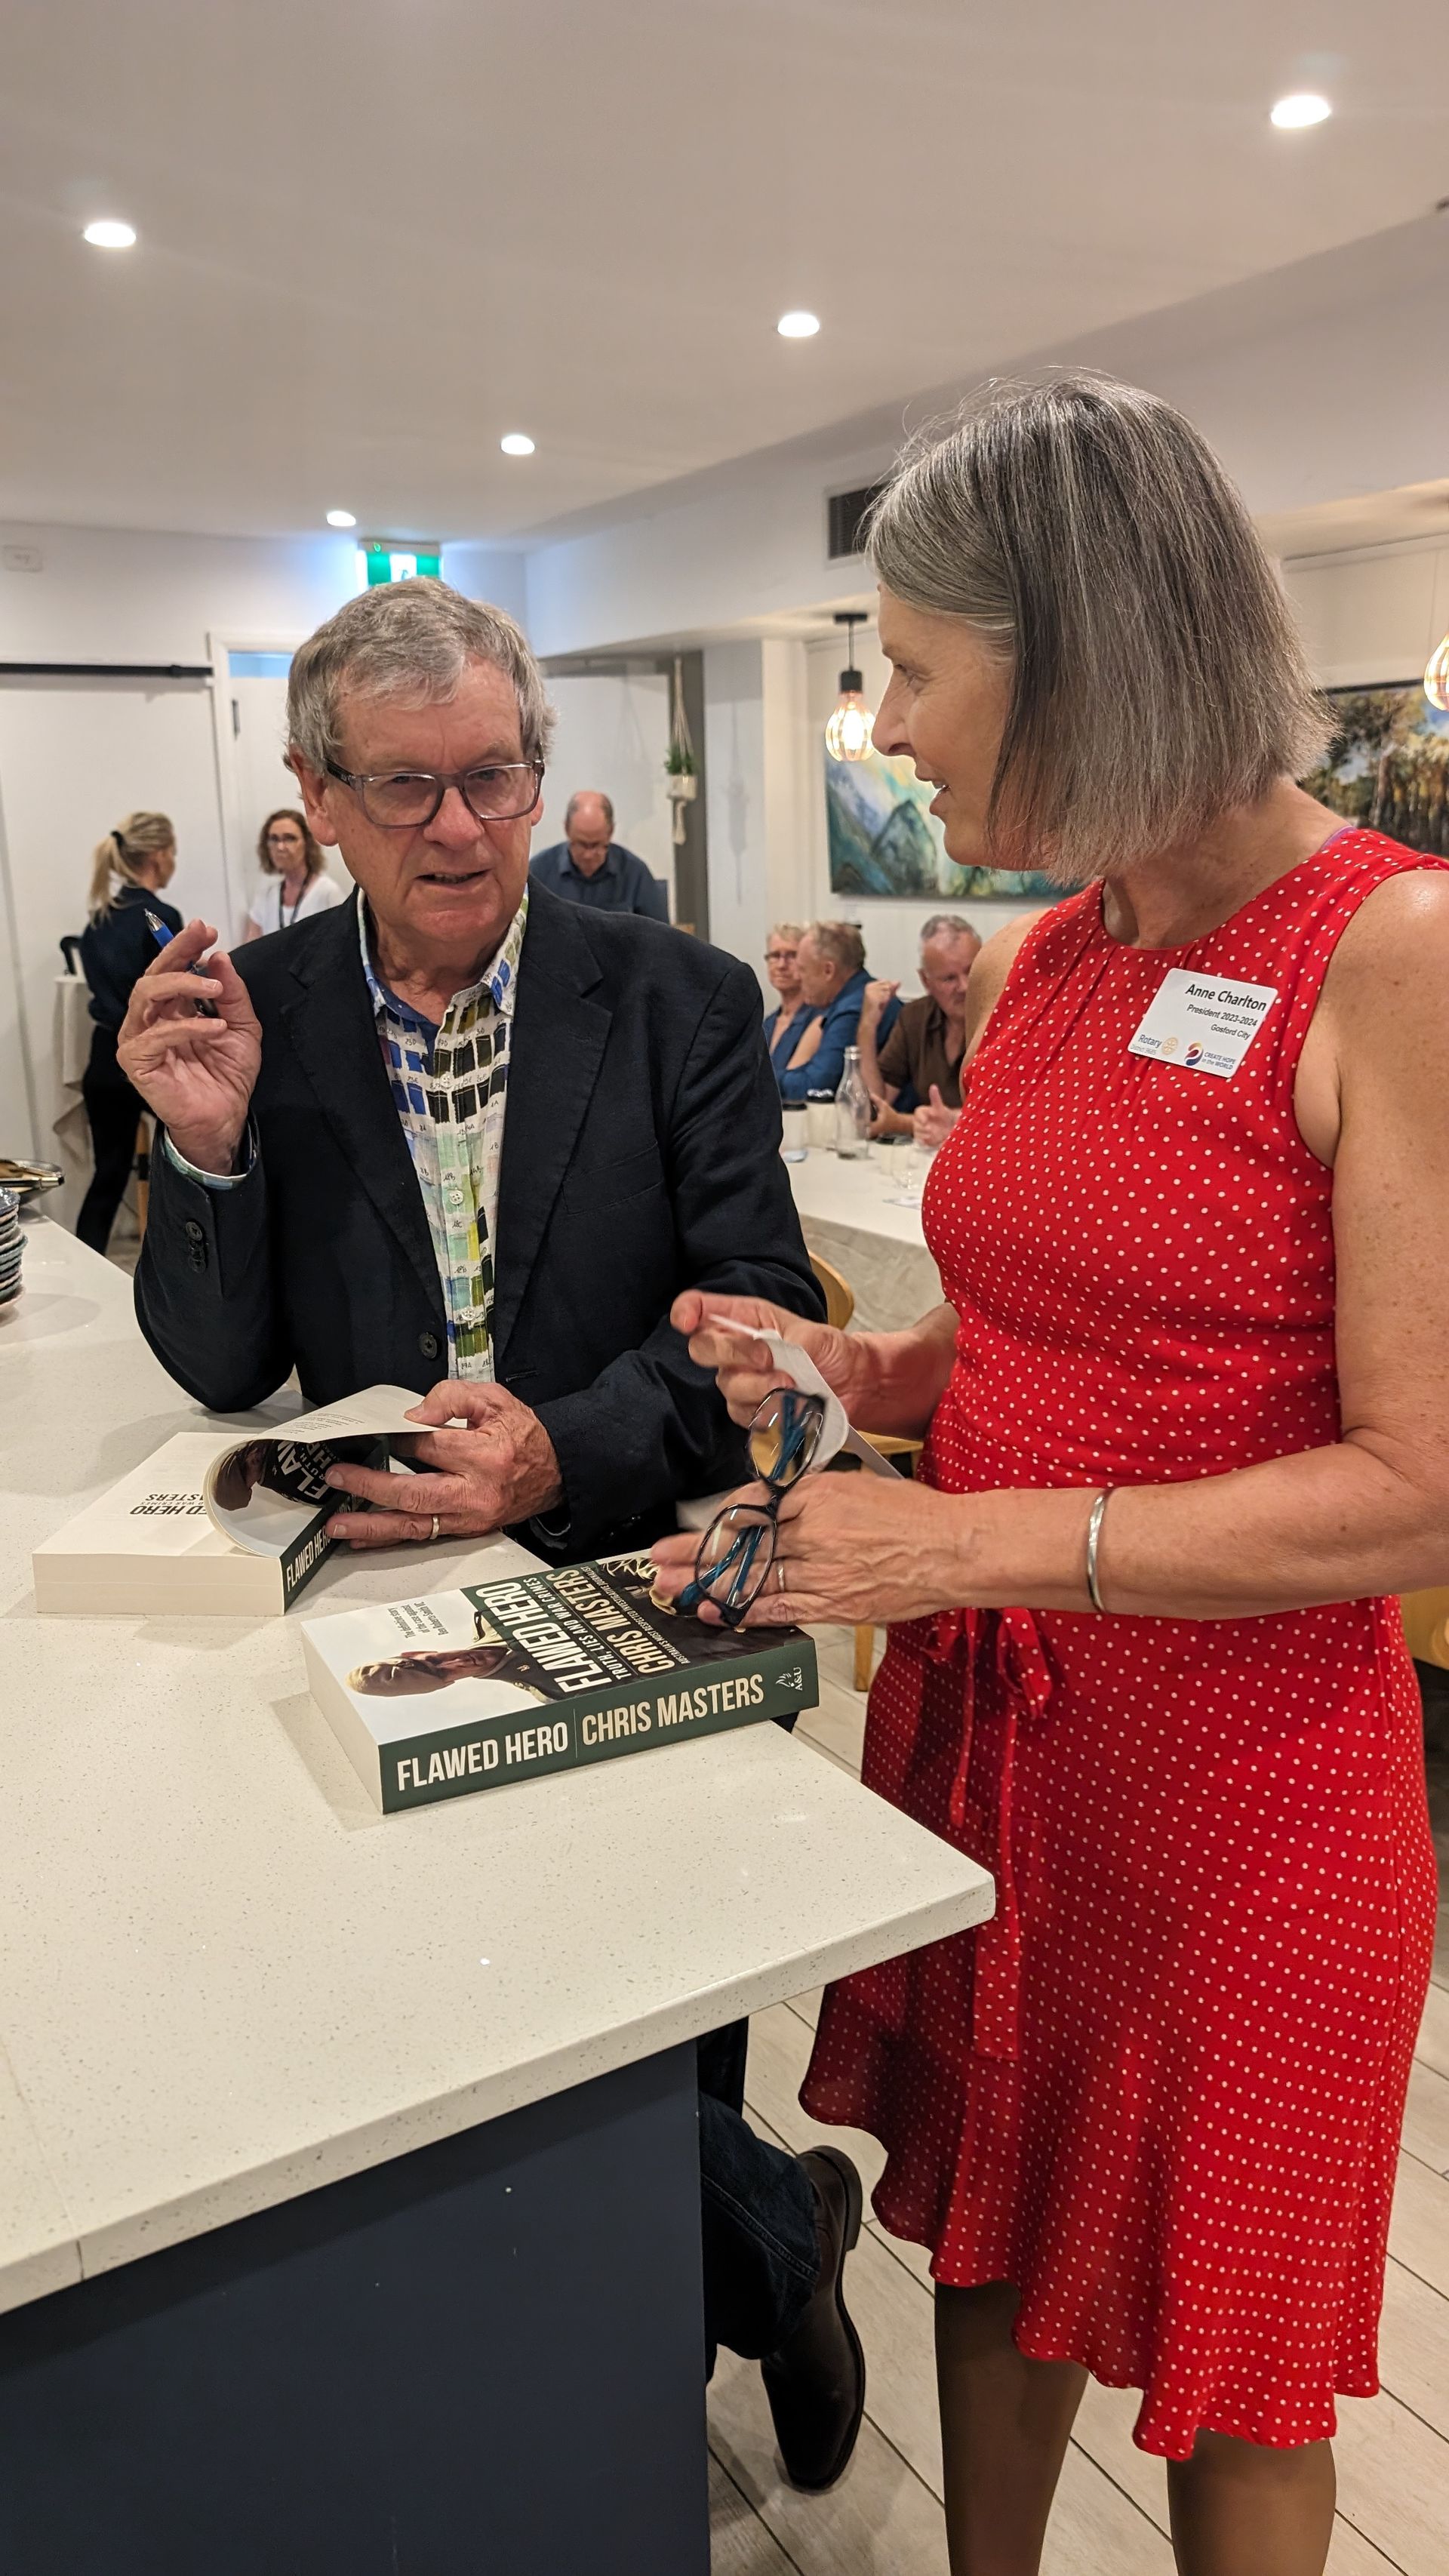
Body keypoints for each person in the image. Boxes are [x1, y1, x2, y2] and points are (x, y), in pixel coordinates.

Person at [648, 375, 1448, 2576]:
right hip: (1007, 1733)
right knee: (990, 2234)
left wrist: (974, 1530)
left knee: (1225, 2350)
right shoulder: (1051, 958)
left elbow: (1418, 1487)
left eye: (909, 665)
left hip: (1241, 1788)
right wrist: (863, 1360)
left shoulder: (1388, 955)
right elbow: (1041, 1316)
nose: (883, 724)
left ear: (1078, 645)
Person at [117, 574, 864, 2491]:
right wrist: (200, 1154)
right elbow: (222, 1371)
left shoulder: (677, 995)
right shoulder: (258, 1010)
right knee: (429, 2032)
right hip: (374, 1608)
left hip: (634, 1571)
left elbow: (760, 1308)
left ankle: (701, 2318)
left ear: (542, 772)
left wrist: (566, 1450)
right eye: (410, 786)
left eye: (500, 777)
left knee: (649, 2030)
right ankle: (776, 2244)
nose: (463, 827)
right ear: (320, 795)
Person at [75, 811, 181, 1254]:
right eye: (173, 851)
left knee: (109, 1173)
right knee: (189, 1162)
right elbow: (174, 994)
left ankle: (85, 1260)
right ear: (159, 856)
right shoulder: (158, 917)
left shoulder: (97, 921)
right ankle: (190, 1262)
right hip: (152, 1054)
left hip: (104, 1058)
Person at [858, 912, 980, 1144]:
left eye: (971, 971)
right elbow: (873, 1109)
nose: (964, 987)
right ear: (925, 981)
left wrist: (903, 1123)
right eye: (949, 979)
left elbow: (1014, 1116)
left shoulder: (1008, 1019)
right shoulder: (914, 1018)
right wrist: (867, 1026)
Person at [777, 920, 898, 1103]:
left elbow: (816, 1086)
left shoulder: (852, 1010)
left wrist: (759, 1077)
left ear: (828, 971)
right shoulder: (852, 998)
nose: (797, 977)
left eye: (802, 969)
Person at [529, 789, 669, 920]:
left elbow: (661, 938)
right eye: (581, 844)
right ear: (567, 829)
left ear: (610, 832)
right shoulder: (539, 872)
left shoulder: (635, 874)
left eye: (596, 845)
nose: (588, 855)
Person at [239, 808, 345, 940]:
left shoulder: (327, 892)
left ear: (307, 843)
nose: (281, 847)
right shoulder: (266, 896)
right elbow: (250, 951)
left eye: (290, 839)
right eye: (274, 839)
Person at [761, 920, 820, 1089]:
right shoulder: (768, 1023)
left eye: (791, 956)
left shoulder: (818, 1018)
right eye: (775, 956)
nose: (781, 965)